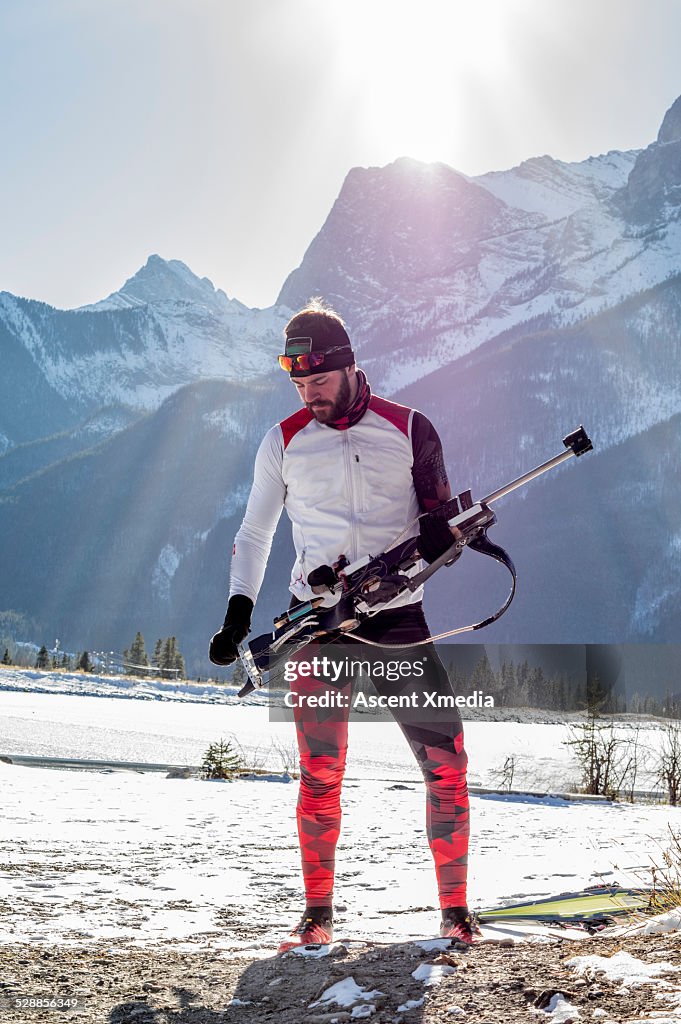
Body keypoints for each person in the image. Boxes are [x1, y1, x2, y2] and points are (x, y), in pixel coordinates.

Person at [209, 299, 474, 950]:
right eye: (298, 384)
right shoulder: (283, 440)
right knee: (320, 775)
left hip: (395, 620)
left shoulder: (410, 429)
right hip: (314, 627)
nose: (310, 395)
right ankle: (316, 917)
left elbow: (441, 524)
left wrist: (445, 535)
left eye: (318, 381)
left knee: (446, 764)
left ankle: (456, 914)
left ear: (349, 366)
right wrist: (237, 610)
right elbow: (254, 531)